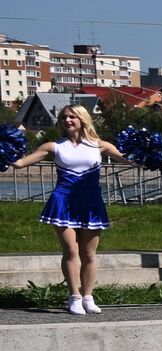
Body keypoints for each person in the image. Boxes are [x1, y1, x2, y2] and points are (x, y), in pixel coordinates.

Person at [10, 105, 131, 316]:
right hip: (63, 201)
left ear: (82, 119)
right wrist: (5, 152)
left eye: (72, 116)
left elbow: (131, 161)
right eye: (64, 117)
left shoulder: (99, 145)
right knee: (71, 250)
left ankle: (88, 297)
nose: (67, 120)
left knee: (89, 253)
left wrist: (151, 156)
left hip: (91, 202)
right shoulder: (53, 146)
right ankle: (74, 296)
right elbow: (20, 163)